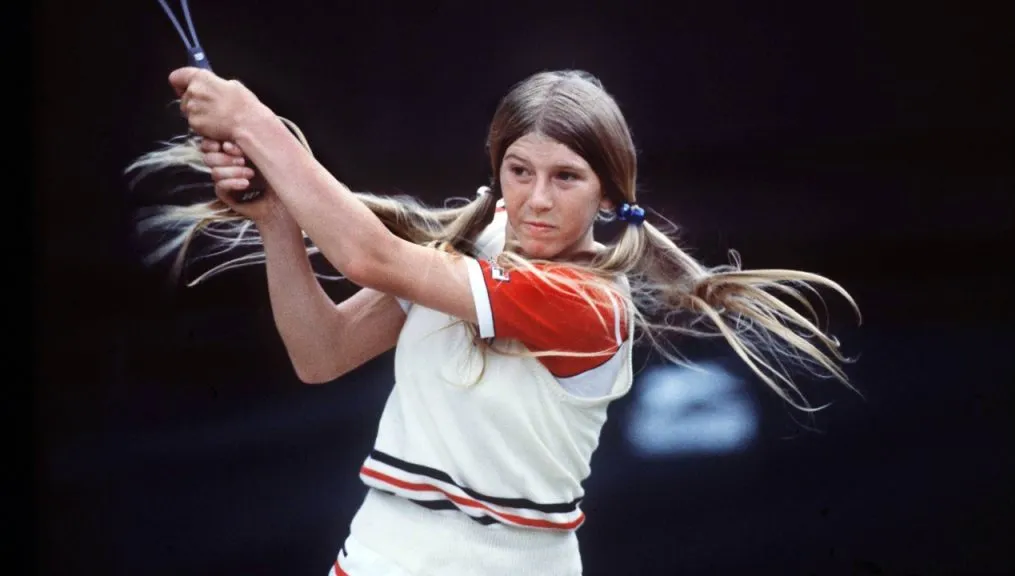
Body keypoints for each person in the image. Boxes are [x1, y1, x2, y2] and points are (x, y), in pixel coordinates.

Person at [127, 67, 860, 576]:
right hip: (378, 555)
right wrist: (277, 222)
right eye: (520, 169)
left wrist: (254, 124)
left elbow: (366, 254)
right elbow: (321, 354)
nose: (538, 197)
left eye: (566, 176)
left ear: (610, 197)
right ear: (496, 173)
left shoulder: (589, 305)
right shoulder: (467, 258)